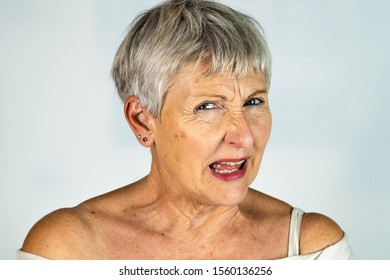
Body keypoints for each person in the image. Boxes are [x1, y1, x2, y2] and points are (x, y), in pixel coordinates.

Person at [18, 0, 353, 260]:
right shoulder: (65, 248)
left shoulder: (313, 248)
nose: (245, 136)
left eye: (253, 102)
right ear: (142, 119)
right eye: (207, 106)